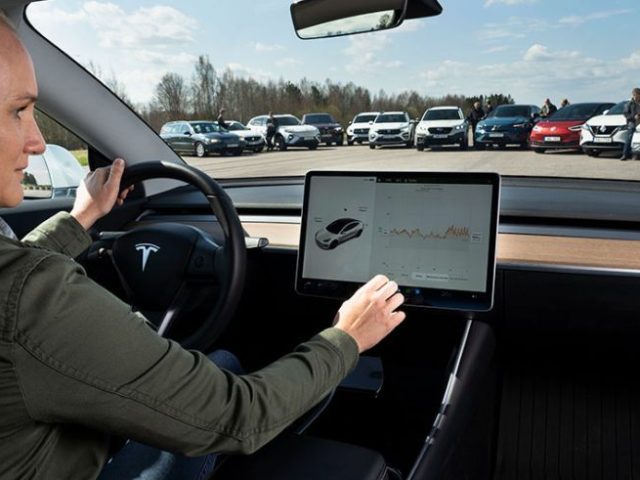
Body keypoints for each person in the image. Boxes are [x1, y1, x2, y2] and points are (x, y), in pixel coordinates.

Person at [0, 15, 406, 480]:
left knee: (224, 362)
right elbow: (238, 417)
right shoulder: (31, 299)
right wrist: (347, 338)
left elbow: (16, 277)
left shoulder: (19, 285)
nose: (37, 142)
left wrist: (82, 218)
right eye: (18, 111)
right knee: (226, 372)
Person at [621, 88, 640, 161]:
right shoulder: (630, 103)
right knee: (629, 138)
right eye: (634, 94)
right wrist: (634, 117)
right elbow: (626, 114)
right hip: (633, 122)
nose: (636, 96)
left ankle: (636, 155)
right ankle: (625, 154)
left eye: (637, 94)